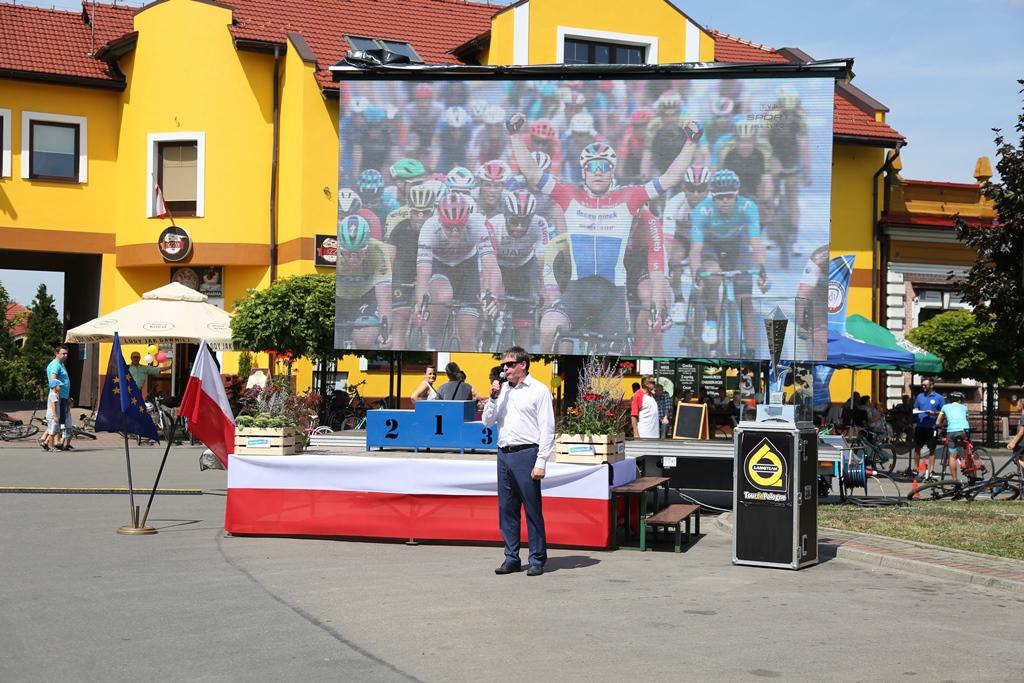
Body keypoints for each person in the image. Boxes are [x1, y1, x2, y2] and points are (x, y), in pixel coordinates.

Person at [483, 346, 554, 577]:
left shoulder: (538, 390)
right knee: (507, 509)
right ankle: (511, 557)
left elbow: (547, 428)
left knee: (532, 509)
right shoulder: (502, 390)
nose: (505, 368)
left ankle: (537, 558)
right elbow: (487, 421)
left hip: (527, 453)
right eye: (503, 365)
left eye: (510, 364)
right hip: (504, 453)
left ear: (523, 365)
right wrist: (493, 397)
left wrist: (541, 461)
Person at [913, 379, 945, 480]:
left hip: (932, 427)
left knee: (932, 449)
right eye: (922, 385)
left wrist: (934, 413)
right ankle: (916, 469)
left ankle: (931, 470)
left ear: (931, 385)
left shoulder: (939, 398)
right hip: (920, 426)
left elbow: (943, 412)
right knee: (917, 448)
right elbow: (915, 408)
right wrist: (916, 411)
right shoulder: (919, 396)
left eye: (925, 385)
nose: (923, 387)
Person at [937, 391, 970, 482]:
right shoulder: (965, 407)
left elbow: (938, 421)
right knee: (966, 447)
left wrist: (939, 426)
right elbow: (966, 419)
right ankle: (965, 460)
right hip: (964, 430)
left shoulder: (945, 407)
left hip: (952, 431)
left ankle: (955, 480)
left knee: (952, 456)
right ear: (959, 400)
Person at [46, 344, 72, 451]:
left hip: (64, 396)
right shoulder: (55, 365)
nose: (65, 355)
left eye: (66, 354)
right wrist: (56, 393)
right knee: (59, 421)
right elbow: (53, 380)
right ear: (57, 354)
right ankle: (55, 443)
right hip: (59, 396)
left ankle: (54, 442)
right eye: (63, 353)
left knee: (61, 421)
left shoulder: (61, 364)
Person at [631, 375, 660, 439]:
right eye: (652, 383)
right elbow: (634, 415)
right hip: (644, 434)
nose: (654, 384)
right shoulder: (638, 395)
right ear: (646, 384)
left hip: (655, 434)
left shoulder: (651, 395)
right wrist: (635, 433)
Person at [39, 379, 62, 452]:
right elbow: (53, 406)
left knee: (53, 431)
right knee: (52, 432)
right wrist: (55, 416)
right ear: (54, 387)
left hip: (54, 416)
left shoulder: (55, 394)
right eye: (59, 386)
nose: (61, 387)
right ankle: (51, 447)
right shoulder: (53, 395)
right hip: (52, 416)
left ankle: (45, 443)